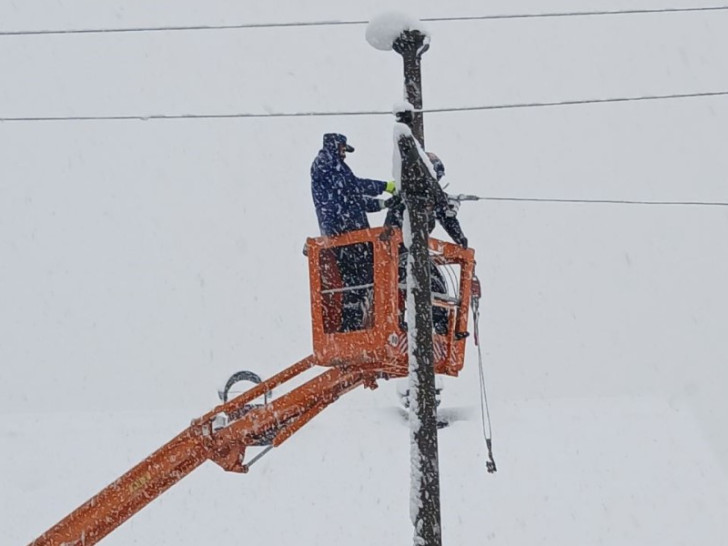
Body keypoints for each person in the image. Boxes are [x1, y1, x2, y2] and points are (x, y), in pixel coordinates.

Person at [311, 133, 395, 331]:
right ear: (336, 146)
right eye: (343, 149)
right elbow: (354, 187)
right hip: (344, 233)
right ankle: (351, 324)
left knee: (362, 279)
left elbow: (354, 200)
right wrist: (385, 186)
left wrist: (384, 203)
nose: (345, 154)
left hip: (349, 232)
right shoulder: (326, 162)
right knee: (357, 279)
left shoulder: (333, 168)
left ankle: (356, 322)